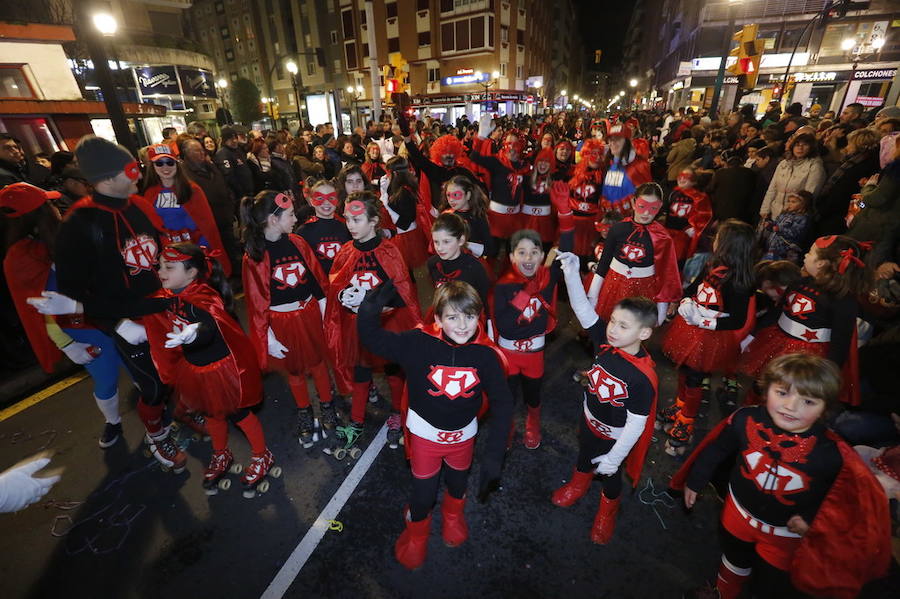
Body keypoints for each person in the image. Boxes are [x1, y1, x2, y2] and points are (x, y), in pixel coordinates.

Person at [671, 354, 891, 599]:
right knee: (733, 558)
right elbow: (717, 449)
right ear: (766, 390)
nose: (791, 406)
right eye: (782, 393)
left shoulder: (832, 454)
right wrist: (696, 479)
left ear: (824, 409)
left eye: (808, 401)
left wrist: (810, 519)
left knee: (771, 582)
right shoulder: (746, 419)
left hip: (784, 535)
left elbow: (837, 497)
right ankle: (723, 592)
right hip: (737, 515)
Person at [28, 135, 186, 471]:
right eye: (131, 169)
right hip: (125, 320)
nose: (137, 176)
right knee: (152, 385)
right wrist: (115, 324)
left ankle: (178, 414)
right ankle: (157, 435)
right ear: (107, 177)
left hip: (163, 308)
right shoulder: (79, 224)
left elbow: (160, 249)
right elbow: (74, 291)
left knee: (178, 369)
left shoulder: (141, 205)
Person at [358, 280, 513, 570]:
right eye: (453, 317)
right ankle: (417, 535)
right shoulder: (418, 343)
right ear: (438, 319)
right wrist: (368, 311)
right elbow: (375, 340)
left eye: (469, 316)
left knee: (457, 483)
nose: (463, 325)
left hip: (463, 439)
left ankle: (453, 517)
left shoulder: (486, 355)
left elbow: (503, 404)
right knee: (423, 494)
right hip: (426, 439)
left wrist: (494, 455)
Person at [145, 243, 276, 495]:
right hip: (196, 369)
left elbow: (208, 327)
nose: (161, 271)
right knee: (209, 412)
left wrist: (193, 333)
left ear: (192, 272)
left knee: (238, 413)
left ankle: (262, 455)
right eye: (159, 266)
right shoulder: (170, 295)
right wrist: (79, 308)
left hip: (220, 370)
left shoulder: (203, 297)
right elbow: (137, 307)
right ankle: (221, 453)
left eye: (169, 267)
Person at [2, 183, 124, 448]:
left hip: (113, 318)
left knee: (143, 370)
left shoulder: (64, 235)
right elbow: (38, 310)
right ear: (36, 212)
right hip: (85, 331)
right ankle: (113, 421)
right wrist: (66, 344)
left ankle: (155, 414)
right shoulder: (20, 258)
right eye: (48, 204)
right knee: (105, 380)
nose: (55, 207)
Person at [548, 266, 659, 544]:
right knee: (584, 455)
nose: (612, 329)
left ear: (644, 333)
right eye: (612, 321)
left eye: (623, 326)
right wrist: (573, 274)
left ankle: (607, 512)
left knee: (610, 478)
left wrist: (615, 457)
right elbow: (582, 309)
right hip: (588, 422)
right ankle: (578, 484)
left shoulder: (642, 378)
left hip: (615, 438)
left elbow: (637, 424)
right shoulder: (606, 344)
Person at [324, 191, 421, 454]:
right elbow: (337, 287)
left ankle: (397, 412)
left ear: (374, 221)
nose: (350, 226)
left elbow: (403, 295)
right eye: (347, 219)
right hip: (358, 326)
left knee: (393, 371)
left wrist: (374, 307)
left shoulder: (389, 251)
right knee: (360, 370)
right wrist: (345, 296)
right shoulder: (346, 252)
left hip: (387, 323)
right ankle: (356, 421)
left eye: (357, 220)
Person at [240, 190, 335, 449]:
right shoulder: (254, 256)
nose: (295, 219)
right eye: (291, 214)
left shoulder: (297, 242)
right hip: (282, 321)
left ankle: (327, 404)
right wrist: (267, 334)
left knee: (318, 362)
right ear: (273, 219)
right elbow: (256, 300)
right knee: (294, 369)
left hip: (309, 312)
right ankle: (304, 410)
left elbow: (315, 276)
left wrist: (325, 305)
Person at [659, 220, 757, 454]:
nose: (714, 241)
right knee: (682, 370)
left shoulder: (740, 282)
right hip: (690, 329)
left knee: (695, 377)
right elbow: (694, 287)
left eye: (719, 238)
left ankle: (687, 421)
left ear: (730, 246)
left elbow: (736, 320)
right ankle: (680, 406)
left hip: (710, 338)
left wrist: (702, 321)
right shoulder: (711, 264)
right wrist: (684, 301)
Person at [739, 235, 868, 405]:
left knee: (789, 393)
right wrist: (753, 335)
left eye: (810, 252)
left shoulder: (843, 301)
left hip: (807, 357)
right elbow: (777, 312)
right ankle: (751, 415)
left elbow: (840, 344)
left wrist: (826, 376)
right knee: (763, 383)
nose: (806, 255)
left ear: (821, 263)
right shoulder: (800, 282)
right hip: (776, 343)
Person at [491, 182, 573, 449]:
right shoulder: (502, 287)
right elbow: (505, 327)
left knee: (533, 395)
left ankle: (533, 422)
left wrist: (565, 215)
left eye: (534, 252)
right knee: (508, 394)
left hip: (534, 354)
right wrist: (525, 295)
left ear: (541, 256)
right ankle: (509, 425)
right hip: (510, 355)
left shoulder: (547, 280)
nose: (528, 257)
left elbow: (567, 250)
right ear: (512, 256)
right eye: (522, 252)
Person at [588, 183, 681, 323]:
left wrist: (661, 310)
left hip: (643, 291)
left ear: (660, 206)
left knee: (634, 326)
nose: (646, 213)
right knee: (607, 321)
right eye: (642, 206)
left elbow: (667, 273)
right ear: (633, 202)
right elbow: (604, 263)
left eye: (653, 208)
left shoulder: (662, 238)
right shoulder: (618, 229)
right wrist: (593, 295)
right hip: (613, 285)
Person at [141, 144, 231, 276]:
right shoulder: (150, 193)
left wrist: (204, 250)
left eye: (170, 162)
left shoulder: (192, 190)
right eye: (159, 163)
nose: (165, 167)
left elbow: (206, 224)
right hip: (167, 252)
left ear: (176, 164)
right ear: (152, 166)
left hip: (193, 248)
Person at [813, 127, 880, 237]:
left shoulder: (860, 166)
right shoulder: (855, 162)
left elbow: (842, 192)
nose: (847, 147)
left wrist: (823, 208)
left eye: (850, 144)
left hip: (838, 215)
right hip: (836, 213)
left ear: (859, 145)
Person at [469, 131, 532, 247]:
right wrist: (481, 136)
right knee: (493, 251)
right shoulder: (496, 162)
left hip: (515, 218)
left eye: (515, 143)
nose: (511, 147)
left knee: (513, 253)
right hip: (496, 217)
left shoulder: (525, 166)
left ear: (521, 145)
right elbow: (474, 156)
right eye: (508, 143)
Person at [427, 212, 492, 309]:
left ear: (461, 240)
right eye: (436, 242)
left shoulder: (475, 268)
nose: (439, 248)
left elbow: (484, 301)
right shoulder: (433, 263)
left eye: (446, 242)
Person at [760, 133, 826, 221]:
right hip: (775, 213)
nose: (800, 148)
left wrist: (794, 212)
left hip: (794, 218)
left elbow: (810, 194)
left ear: (811, 148)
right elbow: (772, 188)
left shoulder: (814, 166)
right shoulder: (784, 164)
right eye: (797, 144)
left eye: (805, 145)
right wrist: (765, 209)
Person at [296, 178, 351, 274]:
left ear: (337, 200)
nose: (326, 202)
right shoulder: (303, 232)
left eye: (331, 198)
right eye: (320, 198)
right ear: (312, 201)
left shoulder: (347, 228)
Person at [663, 167, 712, 263]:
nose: (682, 179)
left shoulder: (699, 197)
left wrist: (693, 228)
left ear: (694, 181)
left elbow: (703, 216)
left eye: (686, 177)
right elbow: (666, 211)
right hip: (671, 232)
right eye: (680, 176)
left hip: (686, 235)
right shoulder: (672, 193)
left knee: (680, 259)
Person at [439, 174, 494, 259]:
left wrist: (466, 245)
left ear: (468, 195)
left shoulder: (478, 217)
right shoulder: (447, 215)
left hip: (472, 262)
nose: (451, 200)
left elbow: (490, 249)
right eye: (448, 195)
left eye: (456, 195)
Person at [762, 191, 812, 264]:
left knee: (775, 268)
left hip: (784, 252)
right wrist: (769, 225)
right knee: (766, 265)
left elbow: (796, 233)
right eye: (788, 201)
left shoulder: (802, 218)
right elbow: (775, 224)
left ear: (803, 204)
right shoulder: (784, 214)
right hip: (773, 248)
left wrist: (779, 229)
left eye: (793, 202)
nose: (789, 204)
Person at [523, 148, 557, 250]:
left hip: (545, 224)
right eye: (541, 161)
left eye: (547, 162)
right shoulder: (526, 179)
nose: (543, 164)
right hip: (526, 221)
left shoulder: (554, 182)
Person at [214, 126, 254, 200]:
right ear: (225, 140)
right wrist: (241, 192)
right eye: (231, 139)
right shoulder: (223, 154)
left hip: (249, 192)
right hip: (239, 195)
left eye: (235, 138)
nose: (234, 141)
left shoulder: (238, 150)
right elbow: (229, 176)